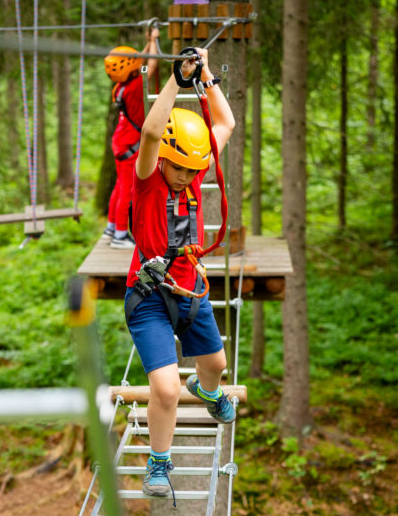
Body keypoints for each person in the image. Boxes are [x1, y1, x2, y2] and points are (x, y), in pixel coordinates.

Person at [123, 48, 235, 500]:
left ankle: (206, 391)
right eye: (180, 168)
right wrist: (176, 79)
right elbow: (152, 130)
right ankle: (159, 464)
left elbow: (224, 124)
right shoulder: (149, 178)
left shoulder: (190, 166)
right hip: (148, 294)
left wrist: (206, 77)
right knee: (165, 390)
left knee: (216, 367)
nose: (187, 177)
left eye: (194, 170)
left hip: (190, 288)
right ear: (163, 157)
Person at [102, 27, 159, 249]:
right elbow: (151, 65)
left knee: (120, 186)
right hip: (130, 144)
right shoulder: (135, 87)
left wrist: (149, 43)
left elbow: (139, 61)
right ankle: (120, 235)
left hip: (122, 140)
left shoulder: (120, 86)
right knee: (128, 189)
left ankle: (111, 227)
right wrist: (154, 40)